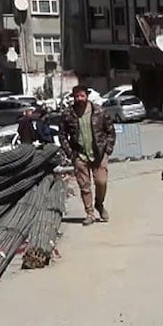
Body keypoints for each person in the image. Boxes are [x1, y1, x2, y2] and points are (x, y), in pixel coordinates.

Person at [58, 85, 116, 225]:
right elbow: (62, 134)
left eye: (82, 96)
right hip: (80, 155)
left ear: (87, 96)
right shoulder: (68, 114)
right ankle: (89, 213)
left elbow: (110, 131)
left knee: (101, 182)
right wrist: (70, 153)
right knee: (84, 186)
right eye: (77, 96)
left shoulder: (99, 111)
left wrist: (107, 149)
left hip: (99, 154)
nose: (79, 99)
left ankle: (99, 204)